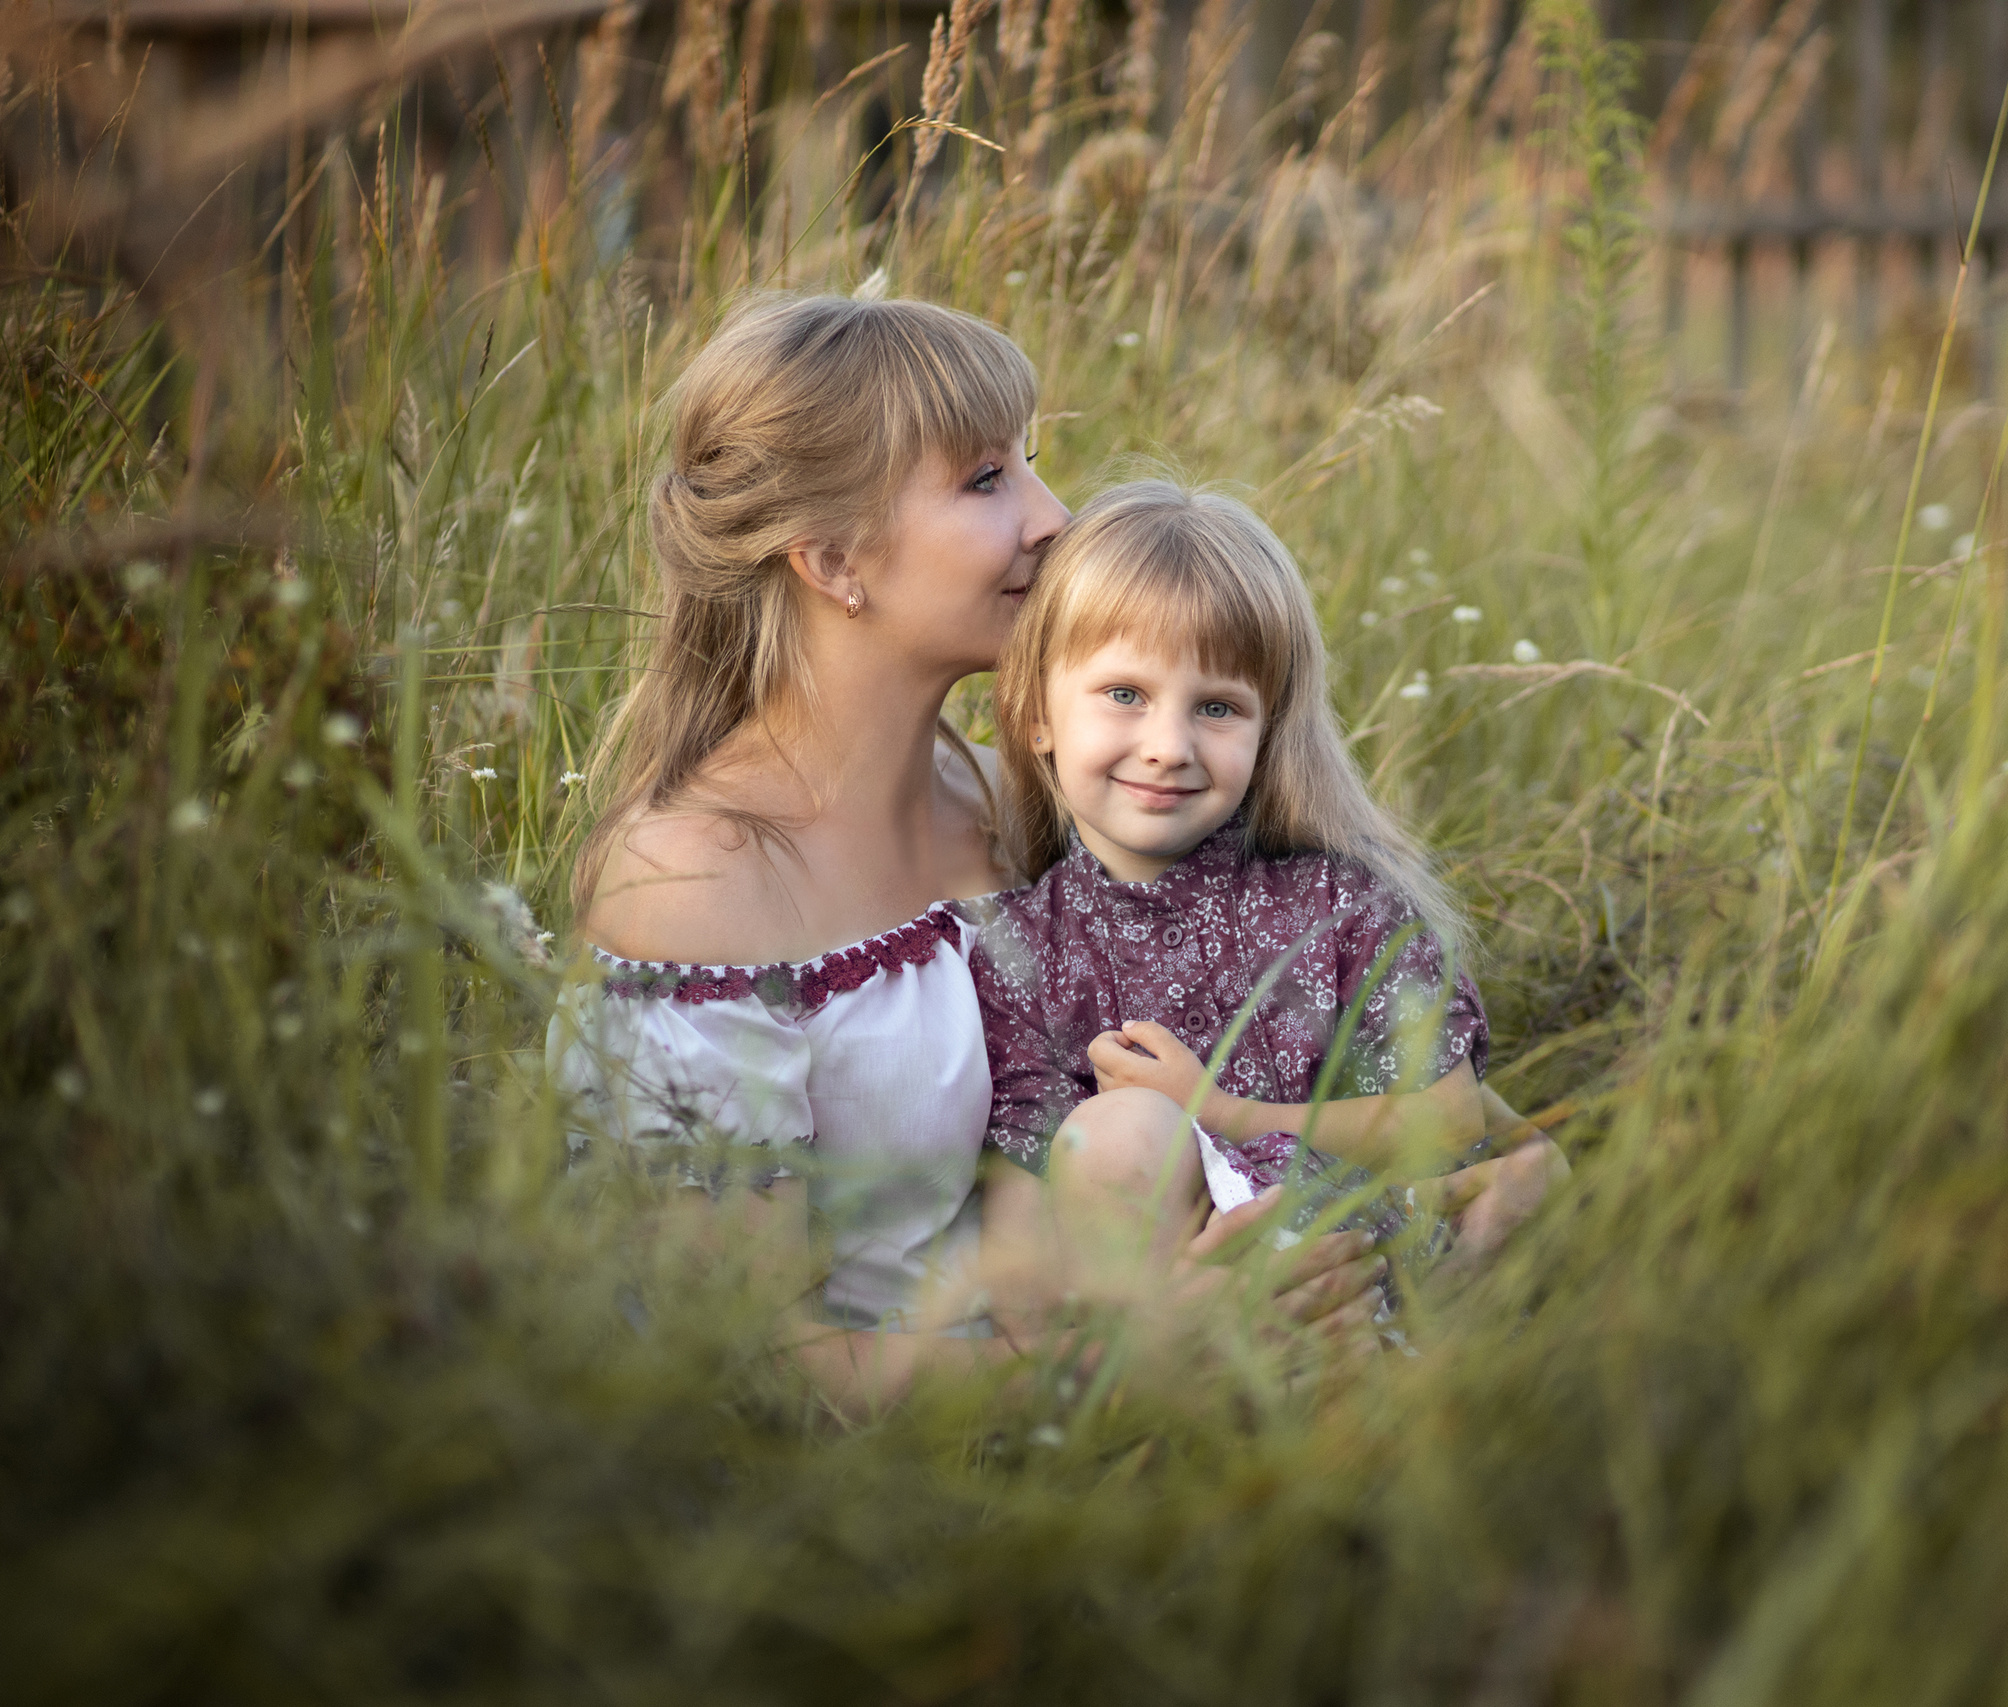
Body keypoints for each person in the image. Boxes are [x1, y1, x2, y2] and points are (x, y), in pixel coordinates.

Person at [545, 294, 1557, 1411]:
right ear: (834, 560)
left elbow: (1278, 1010)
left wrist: (1515, 1161)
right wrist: (1121, 1367)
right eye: (987, 481)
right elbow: (735, 1360)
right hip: (897, 1458)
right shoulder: (697, 881)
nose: (1052, 515)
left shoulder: (997, 794)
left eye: (1032, 464)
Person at [966, 479, 1540, 1303]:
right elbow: (1021, 1209)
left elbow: (1449, 1118)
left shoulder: (1341, 901)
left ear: (1268, 729)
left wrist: (1222, 1109)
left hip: (1372, 1282)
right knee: (1116, 1131)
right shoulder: (1020, 953)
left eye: (1218, 707)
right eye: (1125, 694)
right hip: (1174, 1316)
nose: (1168, 745)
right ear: (1037, 714)